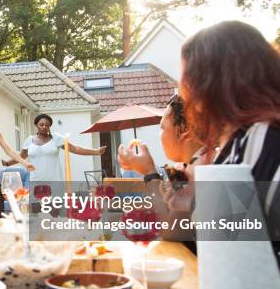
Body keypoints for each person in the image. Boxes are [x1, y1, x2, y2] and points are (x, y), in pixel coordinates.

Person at [179, 21, 280, 266]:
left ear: (211, 81)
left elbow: (235, 250)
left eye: (186, 77)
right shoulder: (238, 141)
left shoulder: (264, 140)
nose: (182, 90)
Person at [118, 94, 205, 244]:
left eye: (162, 127)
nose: (160, 135)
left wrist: (149, 172)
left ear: (185, 130)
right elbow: (170, 211)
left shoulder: (199, 168)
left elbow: (171, 231)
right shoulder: (190, 164)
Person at [2, 113, 105, 182]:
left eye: (47, 125)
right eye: (41, 124)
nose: (44, 127)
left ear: (50, 126)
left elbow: (75, 149)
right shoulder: (29, 140)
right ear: (36, 125)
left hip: (54, 181)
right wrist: (8, 163)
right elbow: (20, 157)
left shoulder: (56, 138)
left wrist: (96, 151)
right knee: (37, 212)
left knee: (54, 213)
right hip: (35, 181)